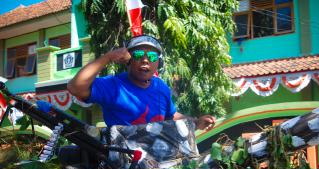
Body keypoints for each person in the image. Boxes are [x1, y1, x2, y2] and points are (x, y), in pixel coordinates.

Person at [67, 35, 215, 130]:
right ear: (128, 61)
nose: (145, 60)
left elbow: (171, 115)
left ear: (158, 63)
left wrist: (195, 122)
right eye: (138, 55)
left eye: (151, 56)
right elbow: (75, 87)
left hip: (159, 162)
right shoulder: (114, 86)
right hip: (124, 166)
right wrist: (108, 57)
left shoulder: (161, 87)